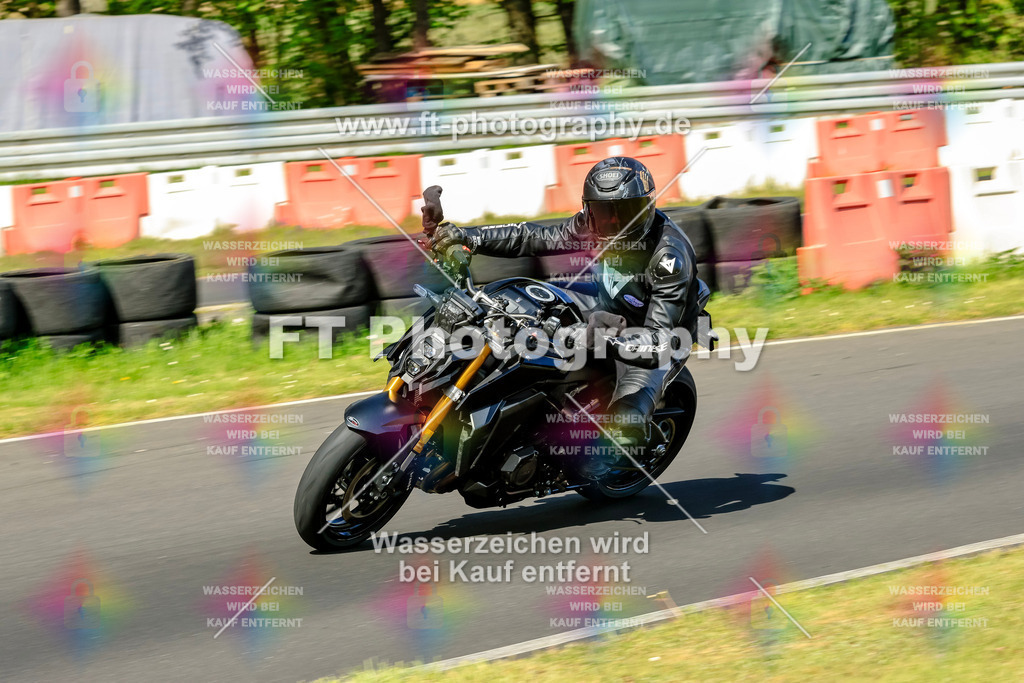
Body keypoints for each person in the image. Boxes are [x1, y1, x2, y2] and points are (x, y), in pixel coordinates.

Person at [422, 157, 702, 476]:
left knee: (625, 426)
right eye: (602, 212)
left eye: (624, 212)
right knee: (514, 309)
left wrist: (599, 339)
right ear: (589, 208)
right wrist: (470, 239)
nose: (613, 222)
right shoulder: (590, 224)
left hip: (660, 334)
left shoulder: (669, 258)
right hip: (607, 304)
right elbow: (534, 237)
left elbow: (659, 343)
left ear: (647, 206)